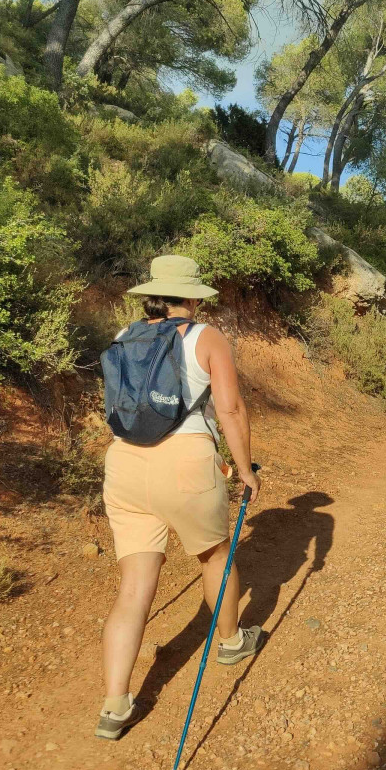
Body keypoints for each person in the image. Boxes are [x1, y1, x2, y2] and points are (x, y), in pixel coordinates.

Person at [96, 255, 264, 740]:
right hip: (185, 462)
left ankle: (114, 704)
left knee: (133, 587)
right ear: (191, 297)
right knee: (215, 557)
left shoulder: (127, 336)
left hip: (124, 463)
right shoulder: (204, 336)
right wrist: (246, 468)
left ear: (152, 293)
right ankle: (230, 641)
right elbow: (229, 408)